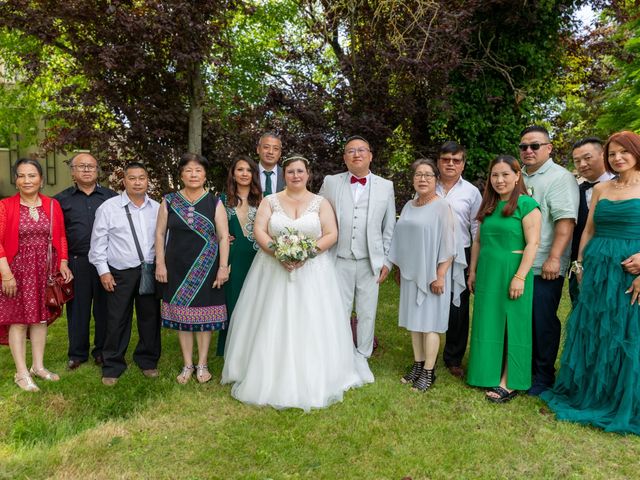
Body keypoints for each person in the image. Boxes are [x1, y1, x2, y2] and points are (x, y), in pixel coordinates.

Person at [221, 155, 373, 411]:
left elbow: (331, 233)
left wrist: (306, 253)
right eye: (290, 171)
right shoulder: (270, 201)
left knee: (311, 319)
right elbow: (260, 230)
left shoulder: (321, 202)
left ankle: (318, 371)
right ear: (285, 175)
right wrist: (278, 252)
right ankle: (264, 369)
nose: (295, 175)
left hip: (313, 272)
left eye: (300, 171)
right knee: (271, 318)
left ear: (308, 174)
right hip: (272, 270)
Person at [541, 131, 640, 435]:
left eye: (623, 152)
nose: (617, 158)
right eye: (612, 154)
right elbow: (588, 230)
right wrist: (580, 263)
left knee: (625, 331)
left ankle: (622, 398)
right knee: (595, 329)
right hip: (597, 267)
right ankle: (591, 392)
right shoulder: (603, 188)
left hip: (631, 268)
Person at [466, 156, 541, 402]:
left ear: (517, 175)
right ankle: (485, 373)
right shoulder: (489, 205)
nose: (499, 180)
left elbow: (533, 244)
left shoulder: (527, 205)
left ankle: (509, 381)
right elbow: (478, 241)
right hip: (488, 272)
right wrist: (473, 271)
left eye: (505, 174)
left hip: (512, 271)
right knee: (487, 322)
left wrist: (519, 276)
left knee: (513, 325)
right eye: (494, 175)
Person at [389, 159, 465, 392]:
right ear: (413, 179)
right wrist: (400, 267)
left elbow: (450, 244)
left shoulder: (442, 207)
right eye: (418, 175)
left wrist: (440, 275)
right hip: (412, 274)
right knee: (415, 323)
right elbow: (401, 239)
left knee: (431, 323)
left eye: (428, 175)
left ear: (436, 180)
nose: (423, 179)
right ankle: (418, 364)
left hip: (433, 275)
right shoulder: (409, 206)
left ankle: (429, 372)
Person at [319, 136, 396, 360]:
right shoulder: (331, 182)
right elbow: (317, 215)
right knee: (338, 309)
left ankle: (363, 354)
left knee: (367, 311)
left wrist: (387, 262)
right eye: (351, 150)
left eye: (362, 150)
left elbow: (389, 227)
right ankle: (339, 354)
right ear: (344, 157)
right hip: (338, 258)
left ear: (370, 155)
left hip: (370, 261)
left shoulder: (386, 186)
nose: (357, 154)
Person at [155, 153, 230, 384]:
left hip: (207, 266)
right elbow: (159, 233)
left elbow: (223, 236)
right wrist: (160, 263)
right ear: (181, 175)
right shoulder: (169, 201)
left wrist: (223, 267)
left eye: (198, 170)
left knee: (204, 317)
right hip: (176, 266)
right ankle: (187, 364)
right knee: (182, 317)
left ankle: (203, 364)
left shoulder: (214, 202)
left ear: (205, 174)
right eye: (188, 170)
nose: (193, 175)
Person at [0, 158, 73, 392]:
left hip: (44, 270)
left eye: (32, 175)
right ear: (16, 180)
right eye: (21, 175)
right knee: (19, 321)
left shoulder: (52, 205)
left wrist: (63, 262)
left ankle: (38, 367)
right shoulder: (5, 206)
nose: (27, 180)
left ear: (41, 179)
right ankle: (21, 373)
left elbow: (61, 236)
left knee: (40, 319)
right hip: (16, 272)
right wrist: (6, 274)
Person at [89, 162, 161, 386]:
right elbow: (98, 244)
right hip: (120, 273)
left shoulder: (157, 208)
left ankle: (147, 360)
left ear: (148, 180)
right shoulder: (109, 208)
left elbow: (164, 239)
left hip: (149, 270)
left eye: (142, 177)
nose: (137, 182)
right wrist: (104, 272)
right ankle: (112, 364)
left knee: (150, 318)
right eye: (132, 178)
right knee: (117, 319)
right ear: (124, 181)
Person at [519, 125, 579, 396]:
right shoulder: (517, 175)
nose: (528, 151)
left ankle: (543, 376)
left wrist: (555, 258)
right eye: (524, 147)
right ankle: (522, 369)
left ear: (549, 148)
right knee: (522, 319)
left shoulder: (559, 177)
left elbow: (565, 222)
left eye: (535, 146)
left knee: (542, 321)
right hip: (518, 263)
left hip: (544, 264)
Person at [55, 153, 117, 370]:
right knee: (78, 309)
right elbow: (57, 234)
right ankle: (77, 353)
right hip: (76, 262)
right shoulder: (60, 200)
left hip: (106, 263)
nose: (87, 170)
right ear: (73, 172)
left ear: (97, 170)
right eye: (81, 166)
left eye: (91, 166)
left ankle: (101, 351)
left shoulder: (111, 197)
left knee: (104, 309)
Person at [436, 141, 482, 379]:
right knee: (429, 302)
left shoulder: (472, 192)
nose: (450, 164)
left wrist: (473, 267)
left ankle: (453, 357)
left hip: (460, 254)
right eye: (446, 159)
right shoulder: (426, 185)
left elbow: (476, 230)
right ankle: (426, 353)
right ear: (438, 162)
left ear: (463, 164)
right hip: (431, 253)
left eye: (456, 160)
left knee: (458, 307)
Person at [216, 155, 262, 356]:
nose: (244, 174)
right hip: (234, 258)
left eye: (249, 170)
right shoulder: (222, 200)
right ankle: (232, 350)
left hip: (259, 257)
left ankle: (256, 348)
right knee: (233, 301)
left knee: (258, 302)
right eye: (240, 170)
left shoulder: (265, 199)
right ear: (233, 174)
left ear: (254, 174)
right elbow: (213, 229)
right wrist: (222, 236)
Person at [568, 137, 614, 306]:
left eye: (587, 158)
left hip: (615, 262)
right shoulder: (574, 191)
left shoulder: (626, 186)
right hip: (581, 266)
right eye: (577, 161)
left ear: (603, 155)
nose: (582, 164)